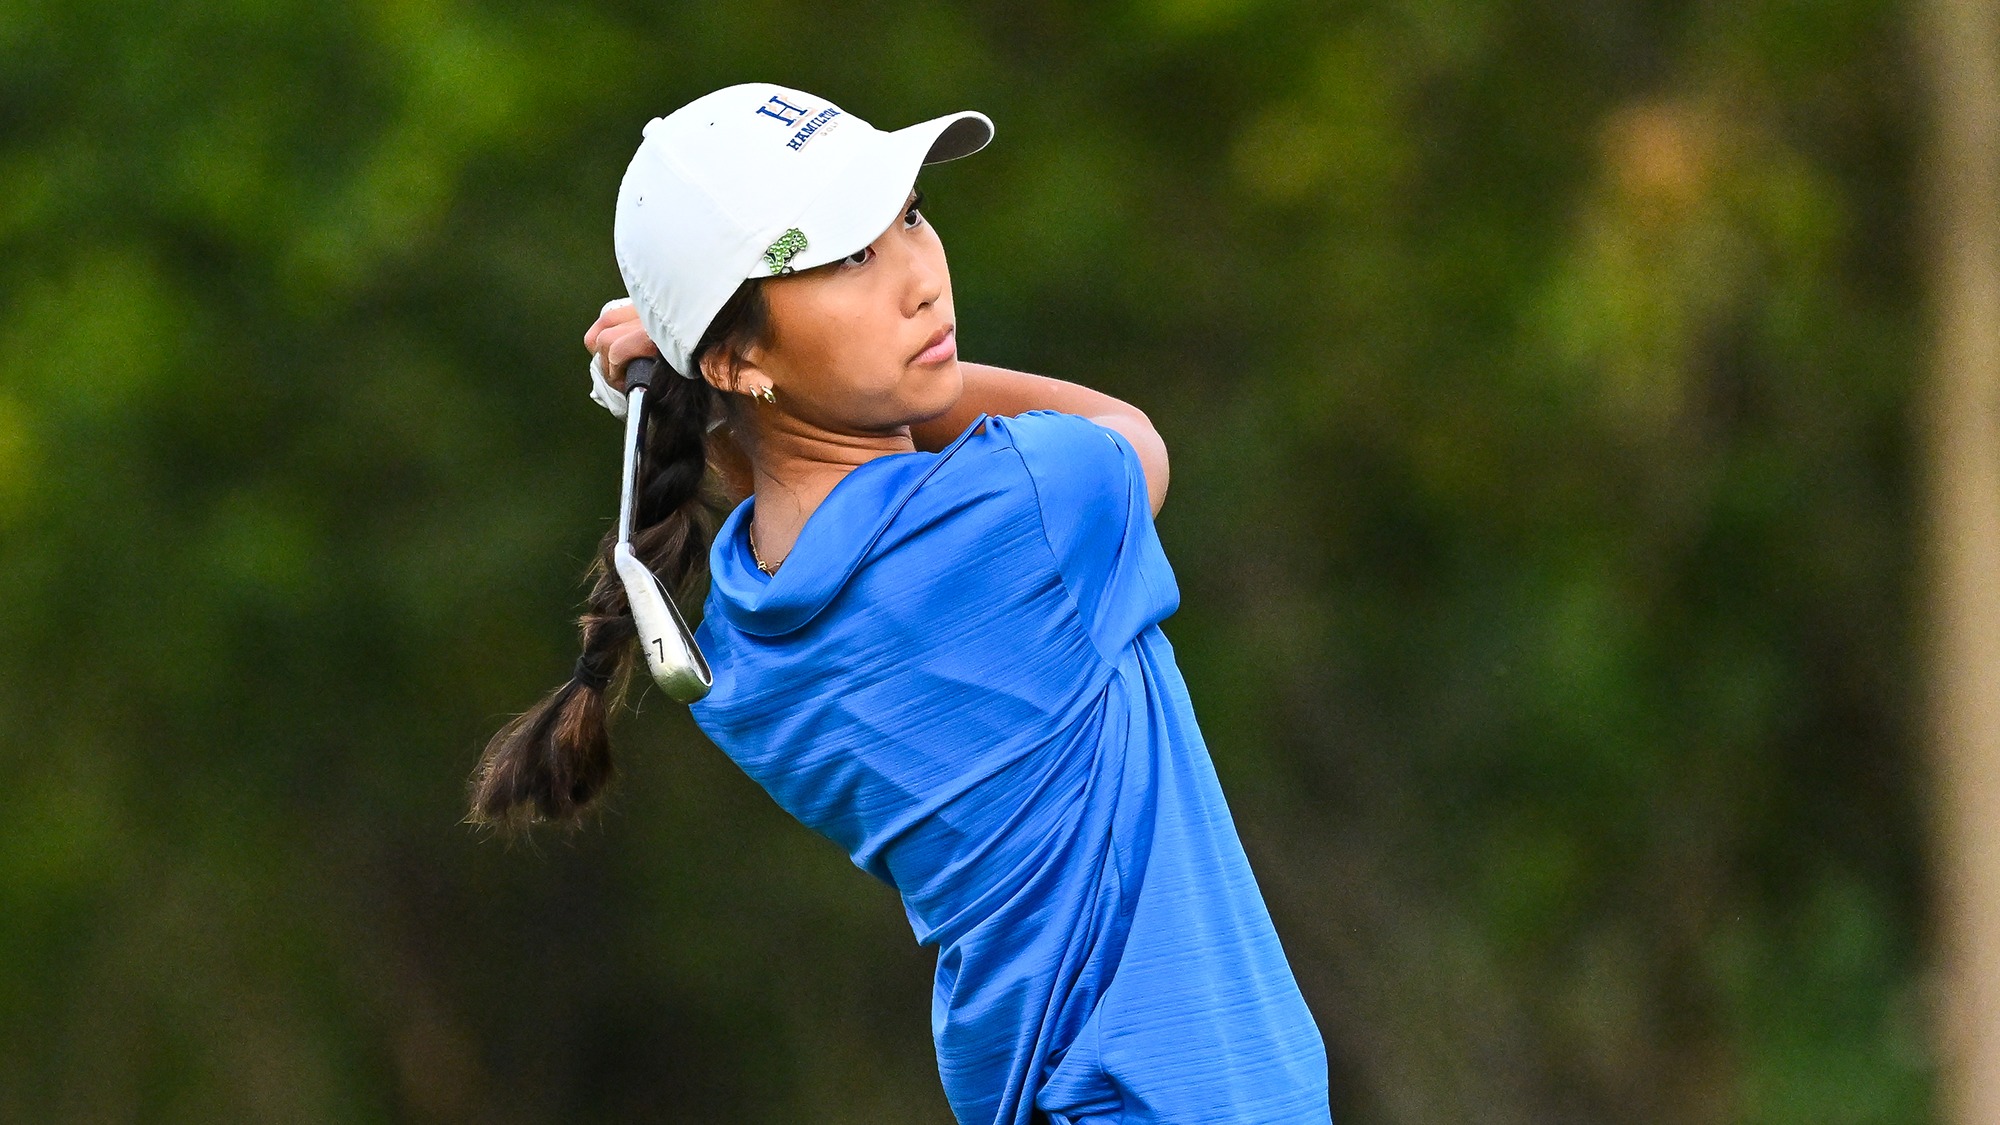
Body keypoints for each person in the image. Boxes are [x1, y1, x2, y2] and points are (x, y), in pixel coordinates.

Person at [469, 82, 1333, 1125]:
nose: (919, 279)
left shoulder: (737, 643)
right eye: (847, 258)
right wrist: (698, 378)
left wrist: (704, 380)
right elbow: (1130, 438)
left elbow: (796, 467)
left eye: (908, 216)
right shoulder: (1032, 509)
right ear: (737, 356)